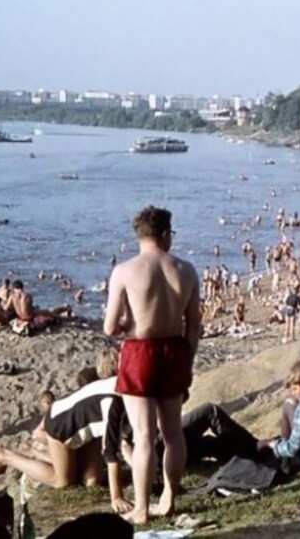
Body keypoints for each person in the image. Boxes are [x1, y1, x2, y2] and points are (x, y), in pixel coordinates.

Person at [103, 206, 201, 523]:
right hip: (174, 349)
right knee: (173, 434)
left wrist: (128, 322)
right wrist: (188, 360)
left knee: (144, 436)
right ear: (165, 234)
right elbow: (194, 325)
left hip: (139, 350)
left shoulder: (125, 270)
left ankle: (142, 507)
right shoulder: (185, 270)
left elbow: (109, 327)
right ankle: (169, 496)